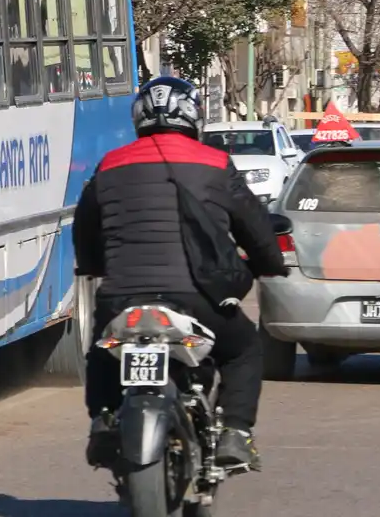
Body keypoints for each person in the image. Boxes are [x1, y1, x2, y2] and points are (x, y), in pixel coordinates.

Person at [75, 75, 287, 471]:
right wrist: (269, 264)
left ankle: (103, 421)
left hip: (121, 297)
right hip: (198, 300)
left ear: (138, 117)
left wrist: (94, 266)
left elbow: (85, 231)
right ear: (194, 115)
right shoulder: (215, 163)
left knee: (102, 352)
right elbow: (256, 230)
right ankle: (236, 433)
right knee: (244, 349)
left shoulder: (110, 164)